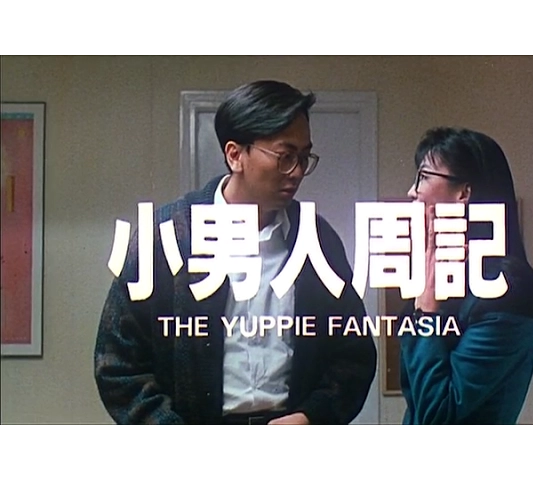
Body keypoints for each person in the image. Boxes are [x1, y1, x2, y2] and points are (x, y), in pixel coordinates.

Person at [94, 80, 377, 425]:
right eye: (285, 156)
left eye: (304, 157)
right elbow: (117, 364)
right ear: (235, 155)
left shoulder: (317, 240)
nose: (298, 171)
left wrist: (311, 416)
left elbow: (354, 355)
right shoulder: (166, 236)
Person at [400, 126, 533, 425]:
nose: (412, 191)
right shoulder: (447, 274)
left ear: (464, 193)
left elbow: (437, 414)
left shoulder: (507, 290)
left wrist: (427, 311)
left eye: (424, 177)